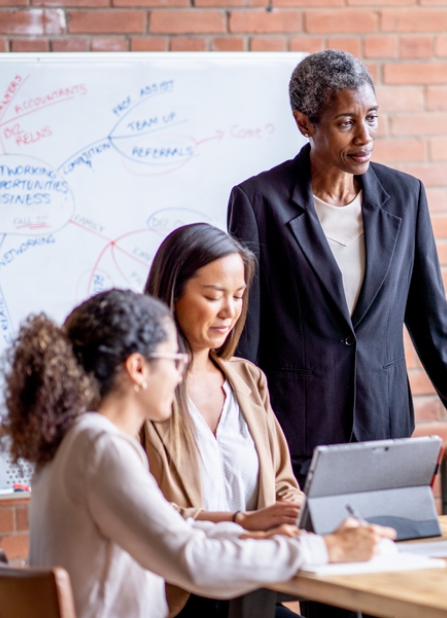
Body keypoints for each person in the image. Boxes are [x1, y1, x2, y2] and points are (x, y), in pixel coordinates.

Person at [0, 289, 393, 618]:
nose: (179, 374)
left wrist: (247, 534)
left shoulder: (78, 439)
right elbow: (191, 560)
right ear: (137, 368)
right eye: (174, 360)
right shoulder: (101, 448)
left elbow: (165, 526)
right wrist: (325, 547)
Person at [228, 49, 447, 482]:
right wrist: (243, 446)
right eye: (346, 123)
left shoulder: (406, 196)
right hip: (296, 442)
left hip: (386, 434)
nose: (365, 137)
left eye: (372, 118)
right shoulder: (258, 202)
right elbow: (245, 339)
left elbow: (435, 327)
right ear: (305, 124)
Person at [142, 224, 306, 618]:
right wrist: (241, 521)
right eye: (213, 296)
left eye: (238, 296)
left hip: (252, 587)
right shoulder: (139, 390)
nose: (230, 311)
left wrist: (297, 513)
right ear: (172, 296)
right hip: (180, 597)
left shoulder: (248, 380)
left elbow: (283, 484)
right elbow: (146, 513)